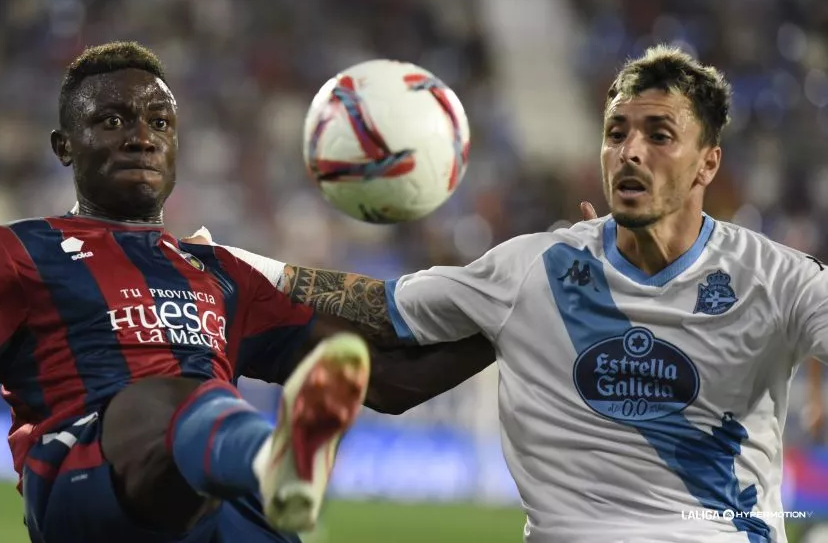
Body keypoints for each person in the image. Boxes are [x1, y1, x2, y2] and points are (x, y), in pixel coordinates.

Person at [220, 45, 828, 542]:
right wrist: (230, 261)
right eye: (616, 132)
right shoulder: (533, 267)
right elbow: (384, 306)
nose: (630, 151)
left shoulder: (776, 280)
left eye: (660, 134)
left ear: (707, 164)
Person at [0, 42, 492, 543]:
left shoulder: (220, 272)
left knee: (211, 432)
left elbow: (390, 380)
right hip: (86, 484)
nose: (142, 138)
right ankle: (272, 457)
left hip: (219, 499)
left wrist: (519, 312)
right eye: (112, 121)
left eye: (159, 122)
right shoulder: (19, 251)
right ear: (64, 145)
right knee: (169, 399)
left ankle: (267, 464)